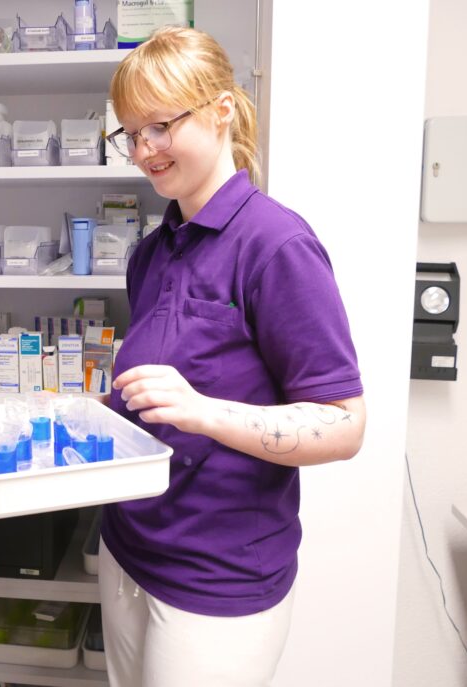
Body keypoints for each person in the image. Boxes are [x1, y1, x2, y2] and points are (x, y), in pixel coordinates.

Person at [100, 27, 367, 687]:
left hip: (218, 580)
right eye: (130, 134)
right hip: (128, 549)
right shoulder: (151, 254)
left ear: (222, 109)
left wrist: (204, 411)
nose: (144, 151)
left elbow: (345, 423)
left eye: (160, 126)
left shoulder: (276, 245)